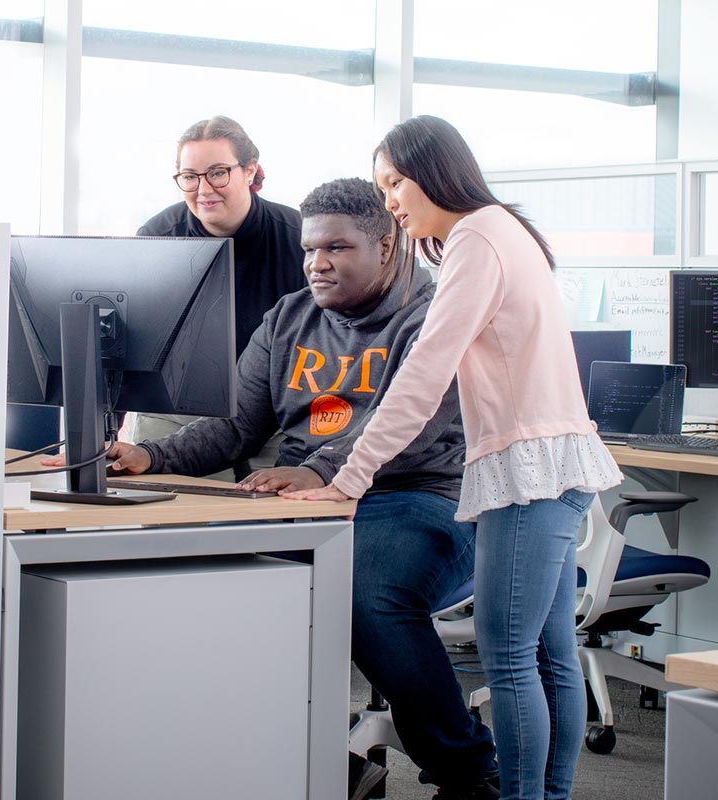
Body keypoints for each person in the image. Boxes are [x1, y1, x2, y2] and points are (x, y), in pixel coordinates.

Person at [51, 177, 500, 800]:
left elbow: (413, 423)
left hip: (418, 494)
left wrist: (320, 469)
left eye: (337, 249)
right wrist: (150, 455)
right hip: (304, 498)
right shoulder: (289, 318)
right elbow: (238, 426)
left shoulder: (433, 316)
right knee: (210, 578)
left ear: (389, 244)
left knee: (363, 589)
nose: (318, 263)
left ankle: (466, 767)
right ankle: (297, 756)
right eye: (310, 249)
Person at [284, 117, 623, 800]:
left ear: (434, 173)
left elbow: (421, 377)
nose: (391, 202)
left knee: (508, 658)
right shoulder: (503, 230)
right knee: (552, 656)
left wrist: (348, 479)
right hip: (558, 464)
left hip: (527, 475)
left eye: (395, 183)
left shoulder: (476, 238)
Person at [133, 116, 306, 477]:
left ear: (250, 171)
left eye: (218, 173)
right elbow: (131, 338)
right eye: (190, 176)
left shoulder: (299, 238)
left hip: (275, 412)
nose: (203, 189)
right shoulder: (158, 237)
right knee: (169, 521)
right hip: (178, 410)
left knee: (269, 527)